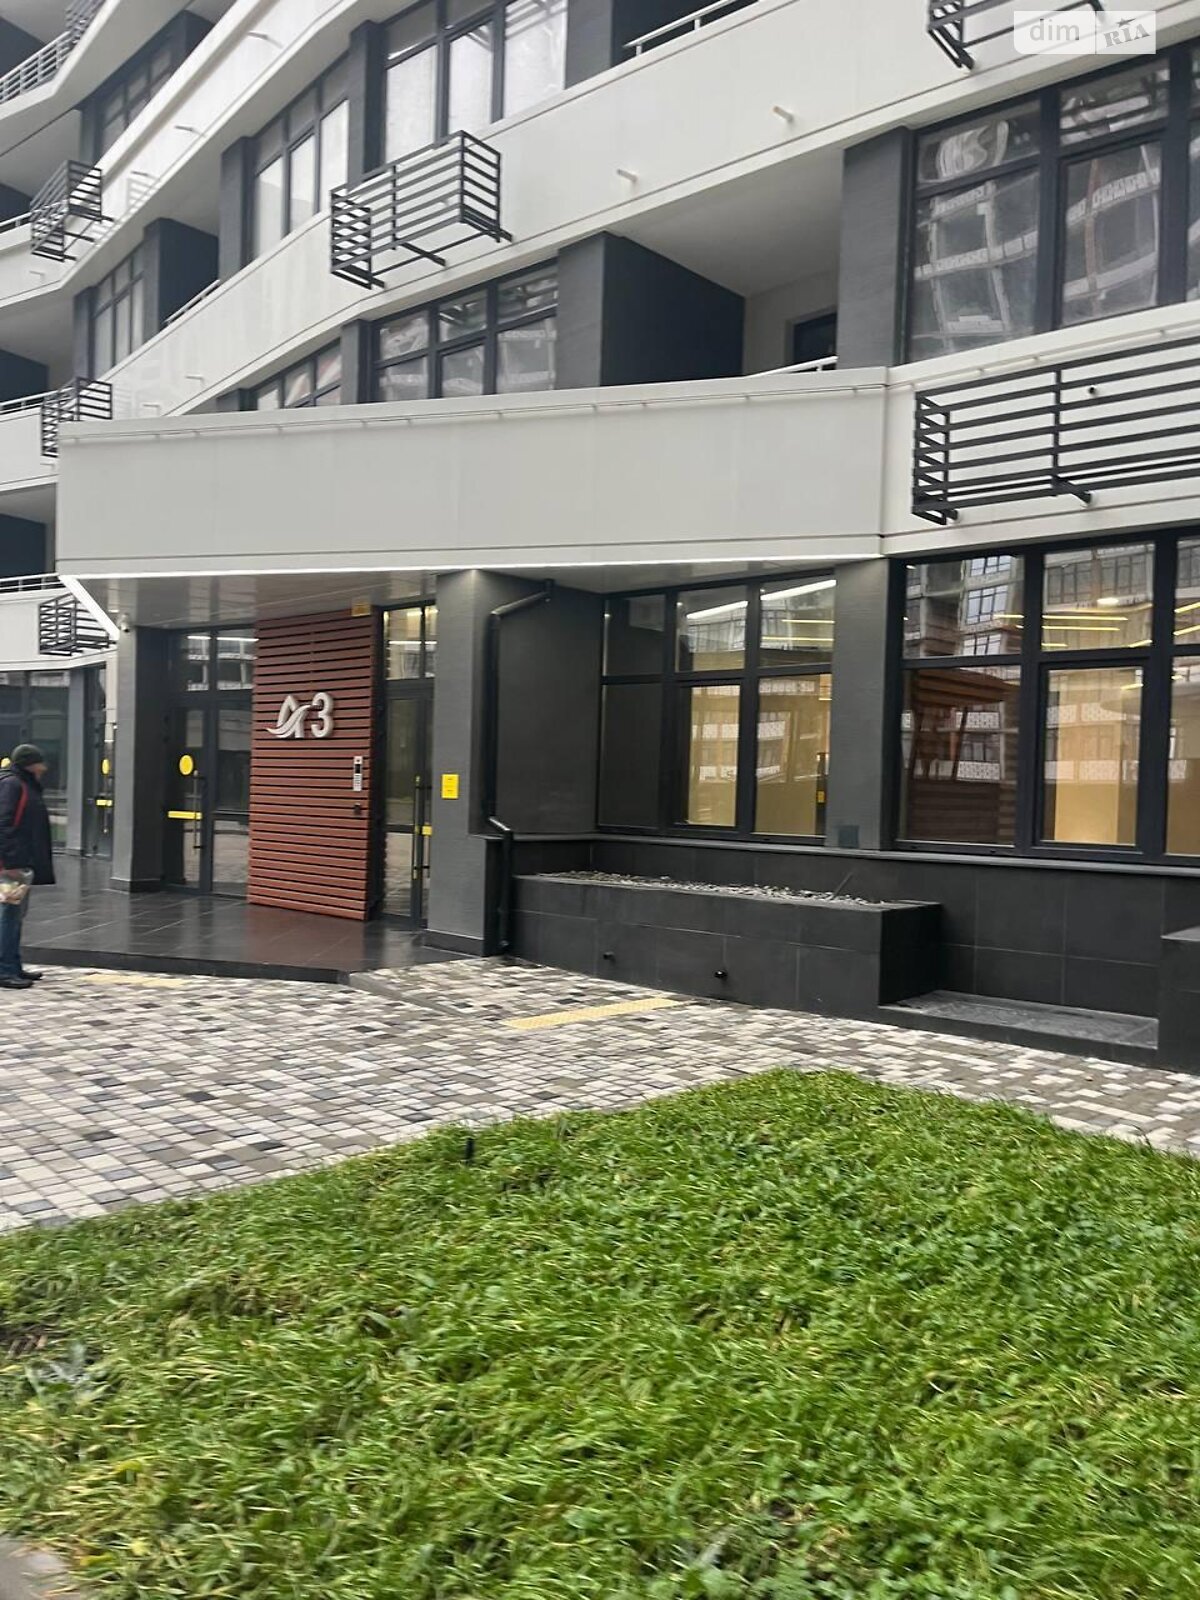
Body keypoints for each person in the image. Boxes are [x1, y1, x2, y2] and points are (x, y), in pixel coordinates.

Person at [0, 745, 54, 991]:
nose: (44, 768)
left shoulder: (23, 784)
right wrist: (10, 863)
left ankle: (13, 965)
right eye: (40, 763)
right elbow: (4, 824)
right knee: (9, 916)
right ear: (30, 764)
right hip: (12, 866)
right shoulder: (13, 785)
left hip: (20, 863)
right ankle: (5, 970)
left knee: (16, 915)